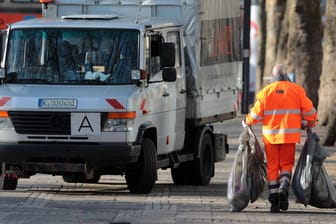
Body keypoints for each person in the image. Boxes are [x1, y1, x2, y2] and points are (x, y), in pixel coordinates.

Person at [242, 64, 317, 212]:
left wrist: (246, 121)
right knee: (286, 164)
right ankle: (284, 187)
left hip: (271, 137)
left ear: (272, 76)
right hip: (289, 136)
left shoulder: (265, 92)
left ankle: (274, 198)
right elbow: (310, 111)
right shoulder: (297, 90)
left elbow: (255, 116)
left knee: (272, 166)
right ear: (286, 74)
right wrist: (310, 122)